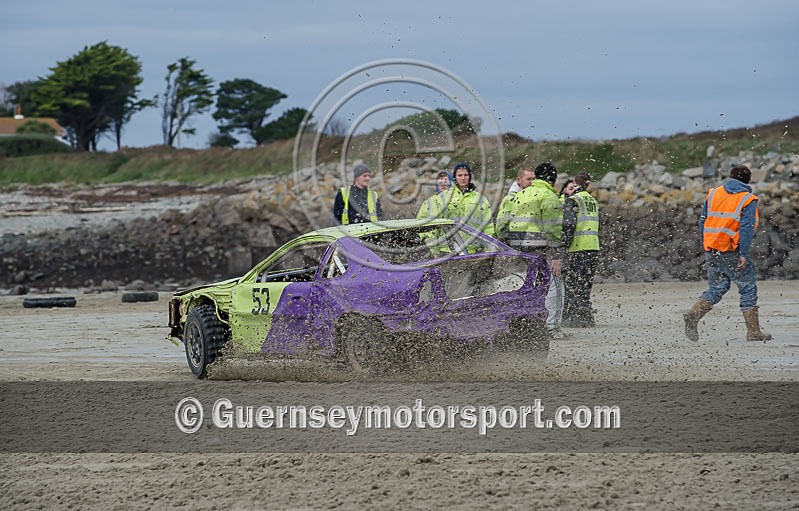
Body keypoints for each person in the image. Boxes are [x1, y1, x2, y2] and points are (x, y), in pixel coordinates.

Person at [684, 164, 772, 342]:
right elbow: (746, 228)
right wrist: (744, 254)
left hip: (712, 248)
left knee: (717, 287)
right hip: (732, 250)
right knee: (747, 287)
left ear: (730, 176)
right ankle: (753, 332)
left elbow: (703, 221)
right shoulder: (748, 199)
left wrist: (707, 243)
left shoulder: (714, 193)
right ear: (748, 181)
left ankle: (694, 313)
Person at [506, 162, 566, 339]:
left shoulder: (521, 194)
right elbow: (553, 229)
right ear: (553, 180)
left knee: (524, 286)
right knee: (554, 285)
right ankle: (551, 328)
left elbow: (504, 222)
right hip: (540, 249)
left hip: (518, 250)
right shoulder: (549, 196)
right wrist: (556, 256)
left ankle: (523, 327)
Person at [561, 172, 600, 327]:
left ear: (574, 183)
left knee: (573, 285)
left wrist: (564, 244)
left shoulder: (573, 200)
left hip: (578, 247)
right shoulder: (593, 201)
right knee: (586, 285)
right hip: (593, 246)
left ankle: (572, 318)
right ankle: (586, 318)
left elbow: (569, 225)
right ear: (588, 184)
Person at [441, 162, 494, 238]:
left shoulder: (480, 199)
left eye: (466, 175)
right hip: (449, 247)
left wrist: (489, 243)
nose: (463, 178)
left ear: (470, 177)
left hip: (474, 247)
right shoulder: (444, 197)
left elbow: (488, 224)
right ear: (454, 177)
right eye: (460, 175)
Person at [495, 166, 536, 241]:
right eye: (528, 179)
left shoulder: (536, 197)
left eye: (534, 179)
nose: (532, 182)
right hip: (514, 243)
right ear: (518, 180)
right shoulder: (510, 199)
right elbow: (500, 226)